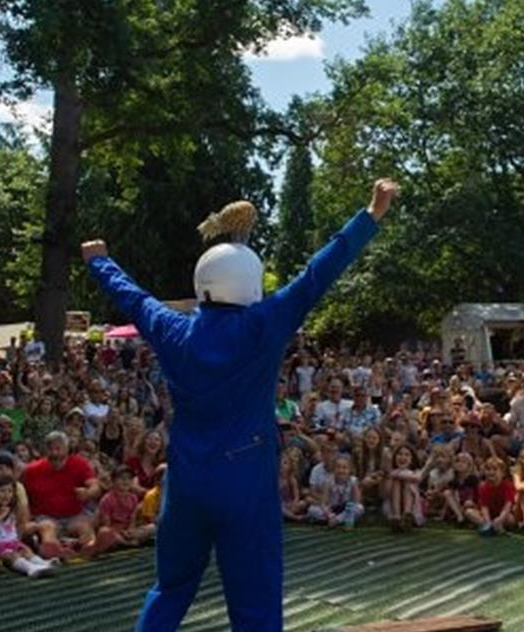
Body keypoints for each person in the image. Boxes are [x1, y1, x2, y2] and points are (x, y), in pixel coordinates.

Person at [82, 178, 396, 632]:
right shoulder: (264, 324)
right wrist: (370, 214)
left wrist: (100, 262)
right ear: (251, 284)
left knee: (170, 589)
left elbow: (134, 298)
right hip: (246, 481)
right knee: (255, 601)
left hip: (187, 481)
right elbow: (316, 274)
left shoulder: (173, 329)